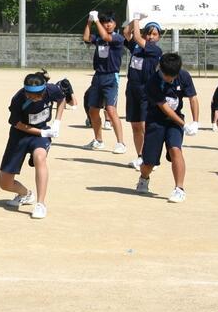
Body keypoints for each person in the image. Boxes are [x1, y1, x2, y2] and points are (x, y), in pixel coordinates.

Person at [0, 69, 65, 220]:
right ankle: (26, 194)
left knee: (39, 157)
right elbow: (16, 123)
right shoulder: (18, 99)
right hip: (20, 135)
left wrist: (57, 122)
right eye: (30, 95)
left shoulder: (51, 89)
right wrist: (42, 133)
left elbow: (62, 99)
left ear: (44, 90)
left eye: (37, 95)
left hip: (41, 133)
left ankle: (41, 204)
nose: (34, 98)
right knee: (5, 184)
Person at [134, 53, 200, 203]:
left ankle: (179, 189)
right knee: (149, 163)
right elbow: (165, 108)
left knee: (175, 149)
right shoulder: (153, 82)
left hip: (175, 122)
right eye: (166, 76)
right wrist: (184, 125)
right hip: (156, 121)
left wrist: (195, 121)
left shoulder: (184, 76)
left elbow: (193, 98)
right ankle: (144, 178)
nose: (169, 79)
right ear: (160, 69)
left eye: (172, 77)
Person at [122, 14, 163, 170]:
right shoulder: (137, 47)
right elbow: (127, 32)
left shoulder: (155, 49)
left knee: (146, 126)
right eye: (148, 33)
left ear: (159, 37)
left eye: (154, 34)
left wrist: (138, 20)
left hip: (146, 91)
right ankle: (140, 156)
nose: (151, 37)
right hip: (132, 88)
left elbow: (138, 38)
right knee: (135, 125)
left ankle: (151, 158)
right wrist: (134, 20)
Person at [82, 11, 126, 154]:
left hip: (111, 77)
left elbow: (107, 37)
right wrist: (90, 21)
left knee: (111, 110)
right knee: (93, 110)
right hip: (98, 76)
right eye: (104, 22)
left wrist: (97, 21)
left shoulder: (118, 38)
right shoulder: (98, 38)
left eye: (110, 22)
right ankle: (98, 140)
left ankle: (121, 143)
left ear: (115, 23)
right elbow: (86, 38)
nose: (107, 25)